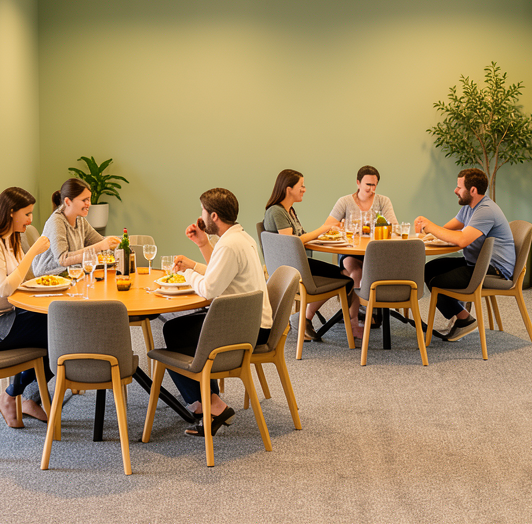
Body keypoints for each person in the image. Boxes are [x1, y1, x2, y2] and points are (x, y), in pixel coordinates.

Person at [169, 188, 271, 437]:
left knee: (173, 334)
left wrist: (186, 273)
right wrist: (202, 244)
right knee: (178, 330)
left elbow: (209, 289)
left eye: (203, 211)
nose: (201, 216)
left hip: (246, 330)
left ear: (213, 216)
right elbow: (221, 274)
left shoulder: (228, 245)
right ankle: (208, 401)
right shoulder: (240, 238)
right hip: (253, 323)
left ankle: (210, 404)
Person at [0, 187, 54, 428]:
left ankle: (24, 397)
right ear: (11, 212)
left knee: (60, 328)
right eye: (27, 214)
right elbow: (5, 288)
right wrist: (32, 252)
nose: (30, 220)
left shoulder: (11, 239)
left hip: (6, 316)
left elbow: (22, 281)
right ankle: (11, 396)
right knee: (59, 334)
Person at [413, 168, 517, 342]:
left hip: (494, 269)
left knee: (437, 282)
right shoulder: (469, 208)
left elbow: (462, 240)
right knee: (429, 269)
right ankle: (460, 313)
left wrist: (430, 227)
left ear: (473, 190)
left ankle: (464, 319)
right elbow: (447, 230)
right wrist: (426, 228)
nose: (455, 190)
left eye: (459, 187)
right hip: (476, 262)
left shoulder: (486, 210)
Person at [261, 169, 355, 342]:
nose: (304, 189)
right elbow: (292, 242)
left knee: (345, 276)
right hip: (292, 268)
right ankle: (304, 318)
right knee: (346, 278)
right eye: (301, 186)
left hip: (297, 263)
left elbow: (302, 237)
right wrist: (323, 228)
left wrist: (327, 234)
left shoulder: (289, 210)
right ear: (288, 189)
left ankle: (306, 317)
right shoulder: (276, 211)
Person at [327, 165, 400, 319]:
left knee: (368, 272)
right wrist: (341, 226)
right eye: (368, 184)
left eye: (374, 185)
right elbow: (328, 226)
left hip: (376, 252)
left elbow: (394, 227)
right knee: (356, 272)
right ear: (358, 182)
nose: (371, 189)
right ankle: (355, 318)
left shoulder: (383, 201)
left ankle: (364, 309)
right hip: (351, 251)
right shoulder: (345, 201)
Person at [32, 178, 120, 278]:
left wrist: (115, 243)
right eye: (84, 200)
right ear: (68, 202)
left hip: (73, 275)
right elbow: (63, 259)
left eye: (89, 199)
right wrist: (101, 246)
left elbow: (99, 242)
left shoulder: (80, 220)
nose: (89, 204)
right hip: (51, 278)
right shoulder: (56, 221)